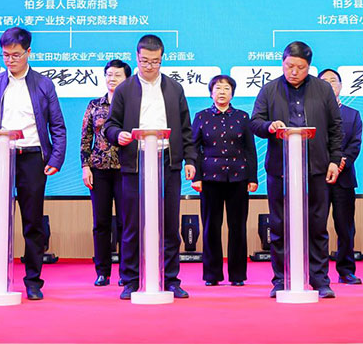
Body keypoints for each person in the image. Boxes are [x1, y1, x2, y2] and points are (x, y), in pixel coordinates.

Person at [0, 27, 67, 301]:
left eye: (16, 55)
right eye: (5, 55)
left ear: (29, 52)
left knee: (32, 222)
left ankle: (33, 281)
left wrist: (55, 158)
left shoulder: (43, 84)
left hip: (32, 158)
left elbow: (57, 126)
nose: (10, 60)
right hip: (1, 157)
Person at [103, 34, 197, 300]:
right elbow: (110, 125)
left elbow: (186, 128)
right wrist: (118, 135)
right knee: (132, 225)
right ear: (137, 57)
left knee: (170, 226)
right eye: (144, 61)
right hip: (136, 163)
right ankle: (131, 279)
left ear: (162, 59)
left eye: (155, 62)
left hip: (167, 162)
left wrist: (190, 160)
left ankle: (171, 279)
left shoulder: (174, 88)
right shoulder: (125, 89)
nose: (149, 66)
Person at [250, 41, 343, 299]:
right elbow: (255, 122)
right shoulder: (269, 89)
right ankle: (282, 279)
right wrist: (269, 126)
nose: (293, 72)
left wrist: (335, 159)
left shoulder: (323, 89)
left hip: (316, 168)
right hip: (280, 170)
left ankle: (320, 279)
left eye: (300, 68)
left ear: (309, 67)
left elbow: (336, 127)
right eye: (289, 66)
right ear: (282, 62)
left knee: (317, 226)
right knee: (279, 226)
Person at [191, 75, 258, 287]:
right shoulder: (201, 117)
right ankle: (212, 275)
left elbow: (250, 149)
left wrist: (253, 177)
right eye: (218, 88)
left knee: (237, 227)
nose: (222, 92)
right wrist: (196, 177)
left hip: (238, 177)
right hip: (209, 178)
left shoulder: (242, 117)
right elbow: (194, 148)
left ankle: (237, 275)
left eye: (226, 88)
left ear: (232, 93)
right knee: (211, 227)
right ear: (211, 93)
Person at [81, 59, 131, 287]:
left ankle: (126, 272)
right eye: (109, 74)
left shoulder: (131, 105)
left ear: (127, 79)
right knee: (100, 222)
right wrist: (85, 166)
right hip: (99, 169)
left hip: (125, 170)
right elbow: (86, 137)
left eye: (117, 75)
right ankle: (102, 271)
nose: (112, 79)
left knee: (125, 223)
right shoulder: (95, 105)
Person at [317, 69, 363, 285]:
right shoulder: (312, 113)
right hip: (318, 177)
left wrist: (341, 162)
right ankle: (318, 272)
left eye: (333, 81)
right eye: (324, 81)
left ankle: (346, 271)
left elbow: (355, 144)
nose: (329, 84)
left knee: (345, 227)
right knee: (317, 226)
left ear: (341, 86)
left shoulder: (353, 114)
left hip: (344, 178)